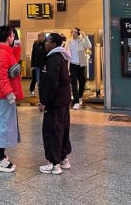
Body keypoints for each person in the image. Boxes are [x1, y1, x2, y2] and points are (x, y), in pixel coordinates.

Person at [0, 25, 22, 173]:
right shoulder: (1, 53)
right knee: (3, 125)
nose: (14, 37)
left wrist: (17, 47)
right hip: (4, 95)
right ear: (9, 36)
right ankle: (0, 159)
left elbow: (13, 62)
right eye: (12, 35)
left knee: (4, 123)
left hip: (5, 94)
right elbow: (2, 76)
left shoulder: (2, 50)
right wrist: (9, 93)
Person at [38, 33, 72, 175]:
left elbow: (52, 84)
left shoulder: (53, 60)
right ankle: (62, 158)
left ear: (53, 44)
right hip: (63, 101)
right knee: (62, 129)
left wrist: (44, 102)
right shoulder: (61, 57)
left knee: (52, 130)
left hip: (55, 103)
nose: (45, 43)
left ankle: (54, 163)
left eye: (47, 41)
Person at [66, 28, 91, 110]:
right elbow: (66, 51)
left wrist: (85, 36)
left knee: (82, 81)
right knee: (73, 83)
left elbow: (89, 46)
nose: (73, 33)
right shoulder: (69, 41)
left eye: (75, 32)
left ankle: (80, 97)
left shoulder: (82, 40)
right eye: (72, 32)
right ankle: (76, 102)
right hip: (72, 64)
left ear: (79, 33)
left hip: (81, 64)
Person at [29, 32, 47, 96]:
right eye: (38, 36)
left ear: (43, 37)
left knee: (43, 80)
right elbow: (33, 54)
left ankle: (42, 93)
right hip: (37, 65)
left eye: (40, 36)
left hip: (44, 65)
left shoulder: (46, 43)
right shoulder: (36, 43)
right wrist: (32, 65)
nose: (39, 37)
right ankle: (33, 91)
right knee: (36, 79)